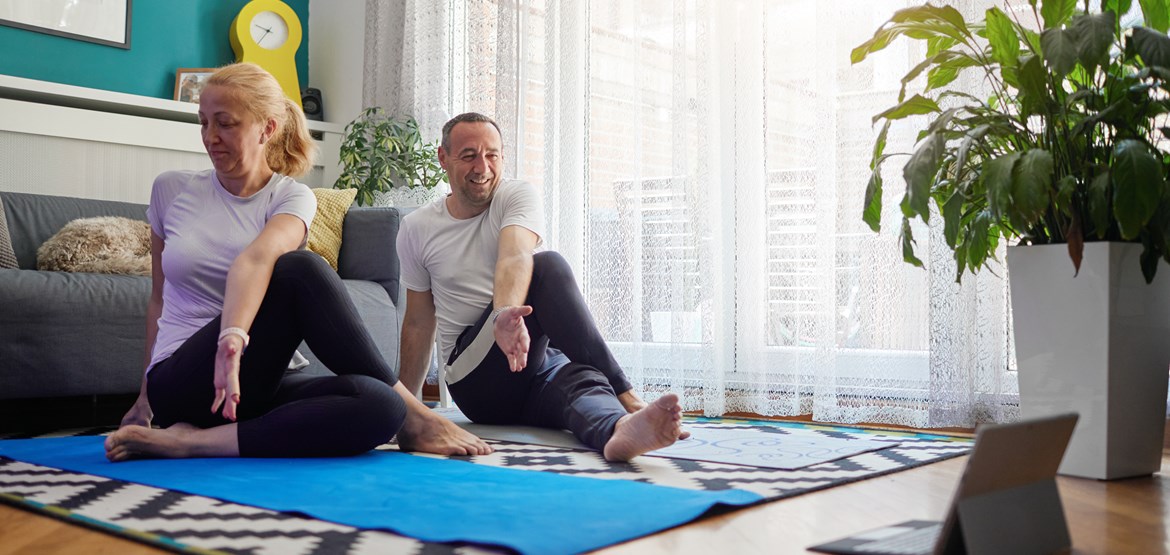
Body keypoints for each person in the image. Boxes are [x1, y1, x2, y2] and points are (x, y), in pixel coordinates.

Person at [106, 63, 490, 462]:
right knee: (300, 270)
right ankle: (418, 414)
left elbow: (257, 259)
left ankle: (191, 443)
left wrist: (234, 341)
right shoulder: (171, 189)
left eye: (225, 124)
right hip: (186, 381)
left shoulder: (292, 198)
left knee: (380, 405)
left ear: (267, 129)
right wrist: (145, 400)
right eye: (203, 123)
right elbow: (159, 300)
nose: (210, 137)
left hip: (258, 382)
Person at [397, 112, 686, 462]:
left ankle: (618, 429)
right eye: (469, 155)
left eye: (492, 155)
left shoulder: (516, 194)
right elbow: (417, 322)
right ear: (443, 158)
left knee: (581, 376)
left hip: (531, 361)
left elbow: (516, 255)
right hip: (475, 380)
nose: (482, 167)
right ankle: (628, 395)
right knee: (547, 266)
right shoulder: (417, 227)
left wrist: (507, 315)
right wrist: (406, 410)